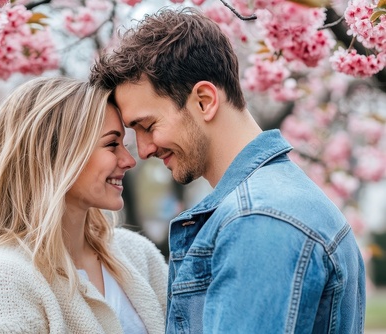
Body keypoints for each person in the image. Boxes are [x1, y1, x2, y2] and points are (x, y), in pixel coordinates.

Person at [90, 7, 365, 334]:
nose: (144, 148)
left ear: (204, 101)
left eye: (148, 125)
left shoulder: (257, 221)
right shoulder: (279, 200)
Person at [0, 77, 167, 333]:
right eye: (112, 144)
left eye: (123, 145)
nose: (129, 160)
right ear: (56, 157)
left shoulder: (138, 255)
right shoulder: (5, 277)